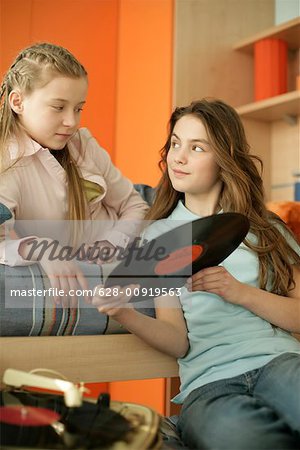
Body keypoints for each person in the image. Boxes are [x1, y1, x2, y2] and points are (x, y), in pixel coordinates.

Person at [93, 99, 300, 449]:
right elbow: (177, 339)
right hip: (209, 383)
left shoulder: (265, 227)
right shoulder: (157, 238)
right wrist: (124, 313)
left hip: (279, 361)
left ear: (224, 157)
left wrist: (239, 292)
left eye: (196, 147)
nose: (178, 157)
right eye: (175, 143)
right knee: (247, 440)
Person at [0, 42, 148, 305]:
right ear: (17, 102)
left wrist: (113, 242)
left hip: (131, 240)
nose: (72, 122)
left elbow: (134, 204)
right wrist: (42, 248)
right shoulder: (6, 168)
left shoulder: (83, 144)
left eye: (79, 108)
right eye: (58, 107)